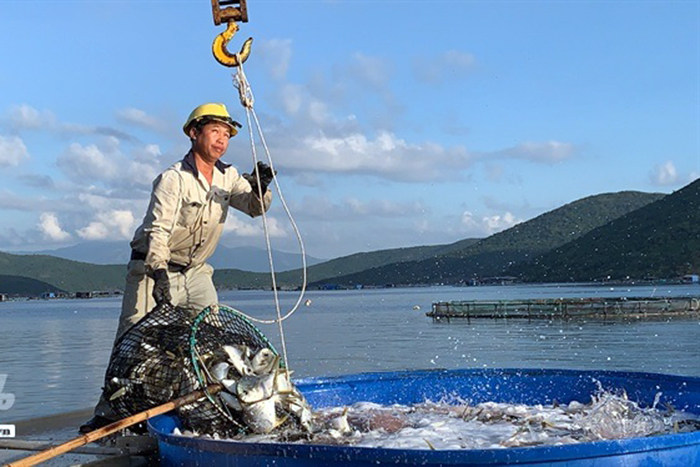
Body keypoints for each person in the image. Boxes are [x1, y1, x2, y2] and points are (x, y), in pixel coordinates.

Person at [80, 103, 274, 433]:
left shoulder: (228, 177)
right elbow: (158, 230)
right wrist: (157, 274)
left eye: (226, 134)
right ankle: (109, 412)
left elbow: (256, 208)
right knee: (133, 336)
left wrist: (261, 185)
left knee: (214, 338)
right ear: (193, 133)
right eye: (215, 131)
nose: (222, 140)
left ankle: (204, 405)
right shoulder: (173, 179)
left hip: (197, 271)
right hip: (152, 267)